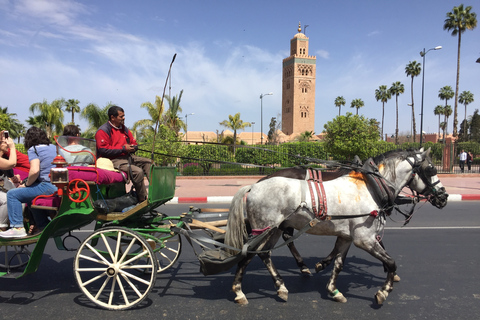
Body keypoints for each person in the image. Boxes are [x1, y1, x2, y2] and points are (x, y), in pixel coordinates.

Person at [0, 127, 57, 238]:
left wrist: (25, 185)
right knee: (30, 198)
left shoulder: (34, 149)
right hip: (57, 186)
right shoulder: (54, 148)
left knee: (12, 194)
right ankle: (42, 226)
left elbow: (34, 170)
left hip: (47, 186)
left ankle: (17, 227)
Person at [95, 106, 152, 202]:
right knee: (137, 172)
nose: (123, 118)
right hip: (111, 160)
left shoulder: (124, 129)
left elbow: (133, 142)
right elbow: (103, 150)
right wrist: (123, 149)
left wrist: (133, 147)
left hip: (127, 157)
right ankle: (142, 198)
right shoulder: (103, 131)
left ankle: (155, 191)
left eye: (124, 116)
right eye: (121, 116)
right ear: (113, 117)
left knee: (149, 163)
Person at [0, 131, 17, 231]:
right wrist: (12, 147)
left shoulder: (5, 158)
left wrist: (14, 178)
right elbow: (12, 163)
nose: (7, 143)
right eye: (5, 142)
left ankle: (16, 226)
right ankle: (1, 227)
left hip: (3, 189)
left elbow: (10, 175)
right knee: (7, 200)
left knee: (20, 199)